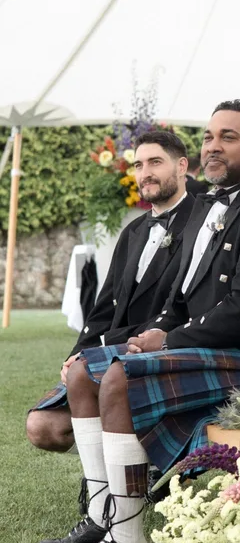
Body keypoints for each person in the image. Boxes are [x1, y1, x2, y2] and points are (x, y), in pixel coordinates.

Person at [34, 100, 240, 543]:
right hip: (209, 342)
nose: (214, 146)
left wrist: (171, 339)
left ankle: (128, 538)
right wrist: (154, 333)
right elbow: (182, 297)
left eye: (229, 137)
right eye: (209, 136)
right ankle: (102, 515)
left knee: (118, 377)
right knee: (83, 372)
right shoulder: (209, 207)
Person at [27, 131, 196, 455]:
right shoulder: (133, 230)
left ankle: (117, 480)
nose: (144, 173)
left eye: (155, 162)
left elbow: (183, 311)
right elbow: (104, 306)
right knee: (42, 426)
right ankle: (111, 464)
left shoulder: (202, 224)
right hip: (112, 354)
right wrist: (77, 354)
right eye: (138, 164)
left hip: (162, 355)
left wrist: (105, 347)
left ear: (181, 166)